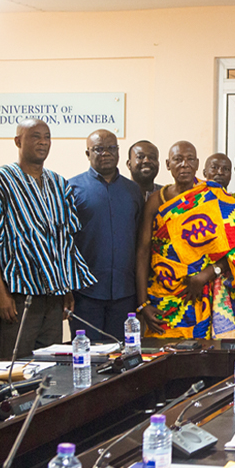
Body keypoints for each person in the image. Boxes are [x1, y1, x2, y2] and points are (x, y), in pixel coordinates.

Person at [0, 119, 96, 358]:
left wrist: (66, 288)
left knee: (50, 369)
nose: (42, 142)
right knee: (17, 369)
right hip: (18, 297)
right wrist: (0, 293)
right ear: (18, 141)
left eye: (47, 137)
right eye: (35, 136)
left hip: (54, 297)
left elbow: (65, 241)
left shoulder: (59, 183)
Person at [135, 141, 235, 339]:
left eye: (189, 159)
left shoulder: (214, 196)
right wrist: (143, 304)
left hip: (205, 292)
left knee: (204, 356)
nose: (184, 164)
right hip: (165, 293)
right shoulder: (156, 200)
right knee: (162, 358)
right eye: (178, 160)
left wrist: (209, 273)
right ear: (168, 165)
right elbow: (143, 251)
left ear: (197, 164)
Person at [68, 130, 144, 341]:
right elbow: (64, 241)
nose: (106, 153)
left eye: (111, 148)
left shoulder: (132, 190)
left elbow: (139, 240)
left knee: (122, 358)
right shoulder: (72, 188)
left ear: (119, 152)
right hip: (85, 294)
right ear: (87, 153)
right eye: (98, 149)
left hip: (125, 293)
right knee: (87, 357)